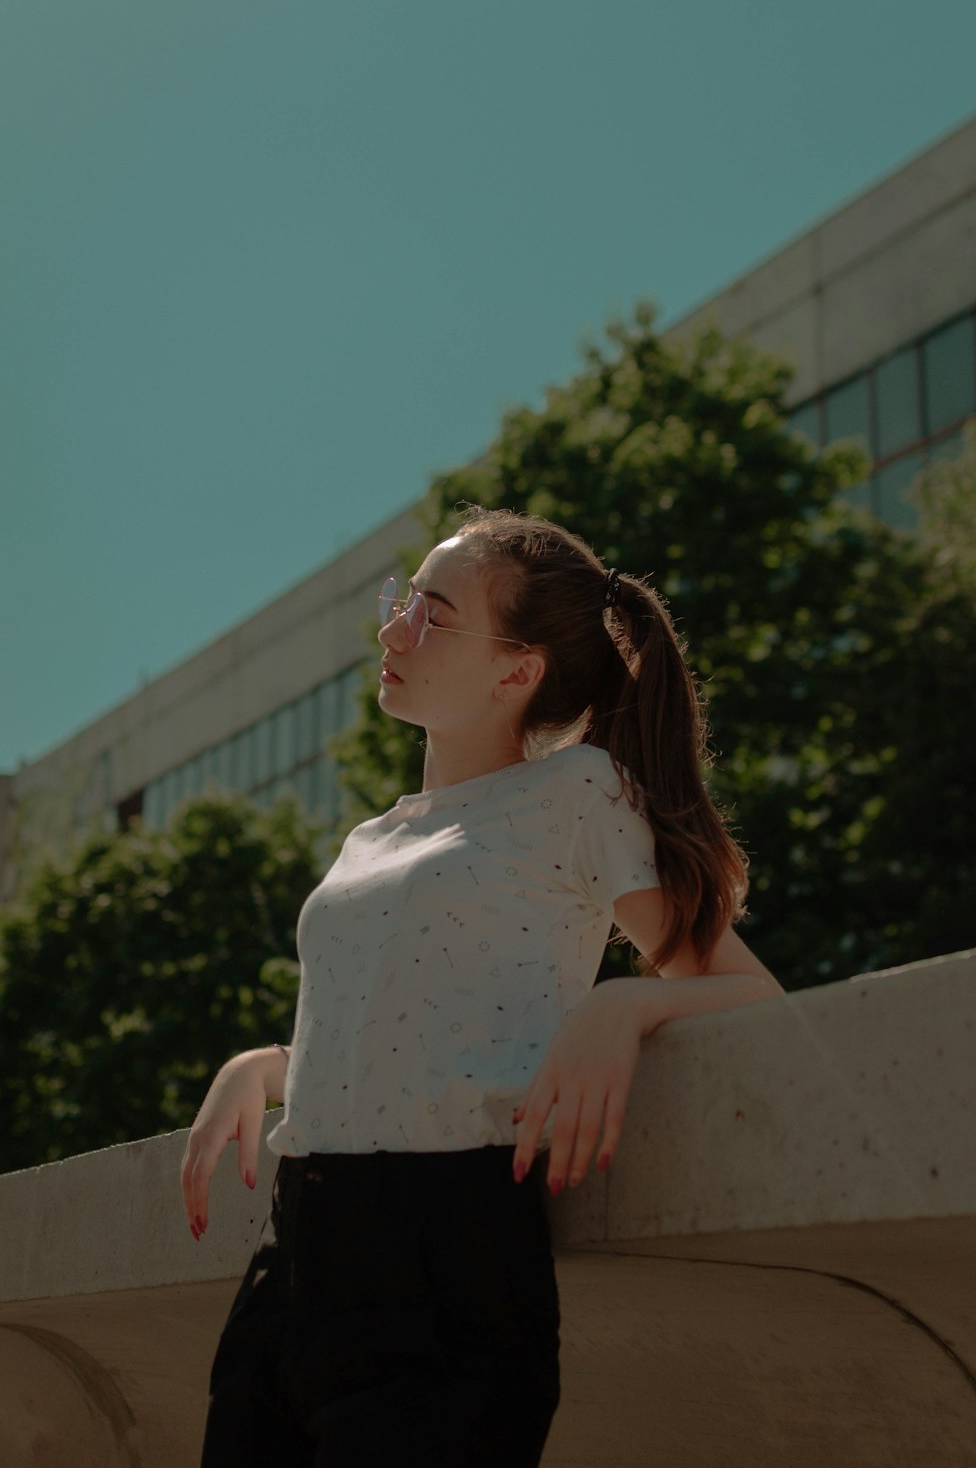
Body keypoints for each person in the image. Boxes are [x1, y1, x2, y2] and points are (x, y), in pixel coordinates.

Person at [180, 505, 784, 1467]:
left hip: (444, 1257)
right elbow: (420, 1027)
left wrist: (620, 1003)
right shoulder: (370, 839)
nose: (392, 631)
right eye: (400, 603)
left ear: (518, 671)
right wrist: (269, 1065)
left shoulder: (576, 792)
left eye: (432, 613)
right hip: (291, 1259)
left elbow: (751, 997)